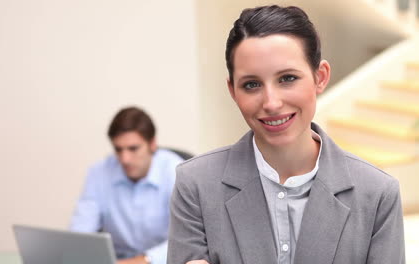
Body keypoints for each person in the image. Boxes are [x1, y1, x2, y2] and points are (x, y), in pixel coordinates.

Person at [167, 5, 405, 264]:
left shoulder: (378, 194)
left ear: (320, 77)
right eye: (251, 84)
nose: (271, 102)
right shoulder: (195, 185)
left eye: (287, 78)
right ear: (233, 90)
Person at [70, 106, 184, 264]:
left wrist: (142, 261)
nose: (125, 159)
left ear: (152, 144)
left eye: (133, 149)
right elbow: (81, 232)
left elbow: (184, 241)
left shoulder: (177, 173)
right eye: (118, 149)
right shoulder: (99, 172)